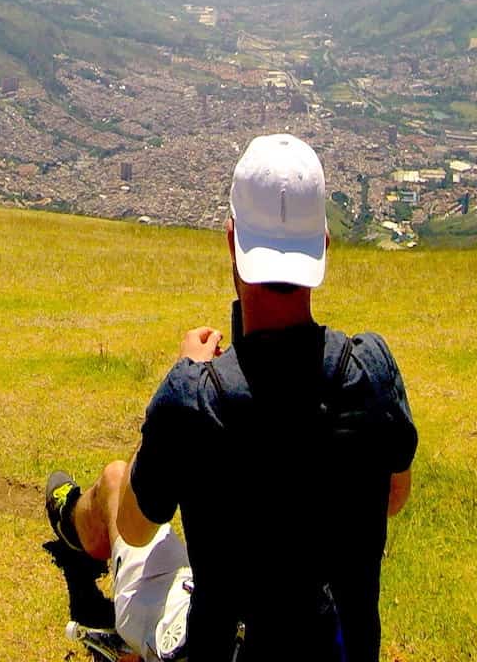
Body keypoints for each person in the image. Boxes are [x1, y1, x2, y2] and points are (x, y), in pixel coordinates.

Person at [43, 134, 417, 661]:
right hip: (337, 647)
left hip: (215, 642)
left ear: (231, 240)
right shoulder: (371, 370)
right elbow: (392, 497)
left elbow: (137, 524)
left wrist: (184, 377)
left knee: (115, 482)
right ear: (324, 246)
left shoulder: (193, 396)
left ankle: (70, 518)